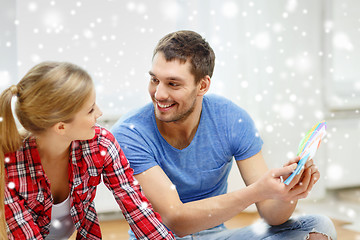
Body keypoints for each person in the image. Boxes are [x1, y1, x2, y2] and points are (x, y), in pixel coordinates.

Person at [111, 30, 337, 240]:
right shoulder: (130, 133)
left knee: (318, 226)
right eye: (154, 80)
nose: (159, 94)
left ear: (202, 85)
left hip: (214, 236)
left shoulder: (231, 119)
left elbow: (272, 214)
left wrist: (288, 193)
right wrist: (256, 191)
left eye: (173, 84)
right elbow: (176, 219)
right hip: (160, 238)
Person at [0, 61, 174, 240]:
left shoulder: (100, 144)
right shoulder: (9, 164)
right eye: (90, 110)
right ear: (61, 127)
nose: (99, 113)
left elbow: (135, 205)